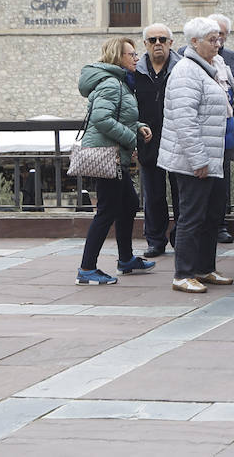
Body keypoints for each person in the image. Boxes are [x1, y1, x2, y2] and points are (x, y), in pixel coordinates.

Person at [158, 17, 234, 293]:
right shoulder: (186, 71)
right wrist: (198, 159)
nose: (218, 44)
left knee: (211, 215)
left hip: (213, 156)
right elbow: (184, 120)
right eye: (212, 40)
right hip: (194, 160)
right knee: (191, 216)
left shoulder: (212, 67)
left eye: (219, 39)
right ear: (194, 42)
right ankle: (183, 273)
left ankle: (204, 268)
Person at [75, 37, 155, 285]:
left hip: (113, 154)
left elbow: (120, 115)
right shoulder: (111, 83)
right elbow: (101, 119)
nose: (136, 58)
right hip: (106, 156)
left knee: (129, 204)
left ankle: (126, 259)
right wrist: (131, 138)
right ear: (117, 57)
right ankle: (87, 269)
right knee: (106, 212)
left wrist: (138, 126)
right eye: (131, 54)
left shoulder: (120, 83)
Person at [135, 23, 180, 258]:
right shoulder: (135, 72)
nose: (158, 44)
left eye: (162, 39)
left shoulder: (181, 68)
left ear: (171, 43)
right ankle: (155, 240)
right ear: (145, 45)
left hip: (175, 140)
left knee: (180, 192)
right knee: (153, 194)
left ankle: (180, 237)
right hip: (148, 141)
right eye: (152, 40)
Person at [210, 13, 234, 245]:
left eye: (221, 35)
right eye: (214, 35)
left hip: (225, 131)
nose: (217, 40)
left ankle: (221, 224)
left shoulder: (232, 59)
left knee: (222, 180)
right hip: (202, 133)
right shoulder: (186, 58)